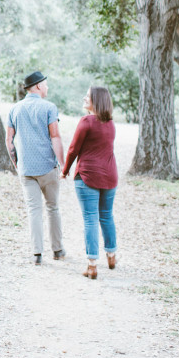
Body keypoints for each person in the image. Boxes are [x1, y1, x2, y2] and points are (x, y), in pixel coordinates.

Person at [7, 71, 64, 265]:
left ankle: (37, 253)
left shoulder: (14, 109)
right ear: (38, 86)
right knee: (53, 207)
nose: (47, 88)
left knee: (34, 210)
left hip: (26, 169)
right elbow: (55, 137)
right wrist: (62, 164)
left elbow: (9, 141)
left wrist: (17, 164)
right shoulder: (49, 108)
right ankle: (57, 250)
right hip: (47, 167)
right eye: (46, 84)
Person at [61, 86, 118, 280]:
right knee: (106, 216)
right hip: (110, 177)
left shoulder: (86, 122)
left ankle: (92, 265)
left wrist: (65, 170)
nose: (85, 98)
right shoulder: (110, 124)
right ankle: (111, 255)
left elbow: (72, 149)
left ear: (97, 100)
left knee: (90, 218)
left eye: (88, 96)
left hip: (88, 177)